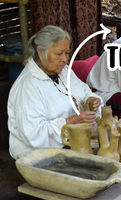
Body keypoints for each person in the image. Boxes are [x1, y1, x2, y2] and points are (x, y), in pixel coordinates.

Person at [8, 25, 102, 159]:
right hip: (37, 156)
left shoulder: (64, 71)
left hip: (71, 143)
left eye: (67, 53)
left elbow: (84, 91)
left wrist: (92, 99)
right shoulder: (28, 86)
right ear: (40, 52)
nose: (64, 59)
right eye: (59, 54)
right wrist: (70, 122)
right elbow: (33, 134)